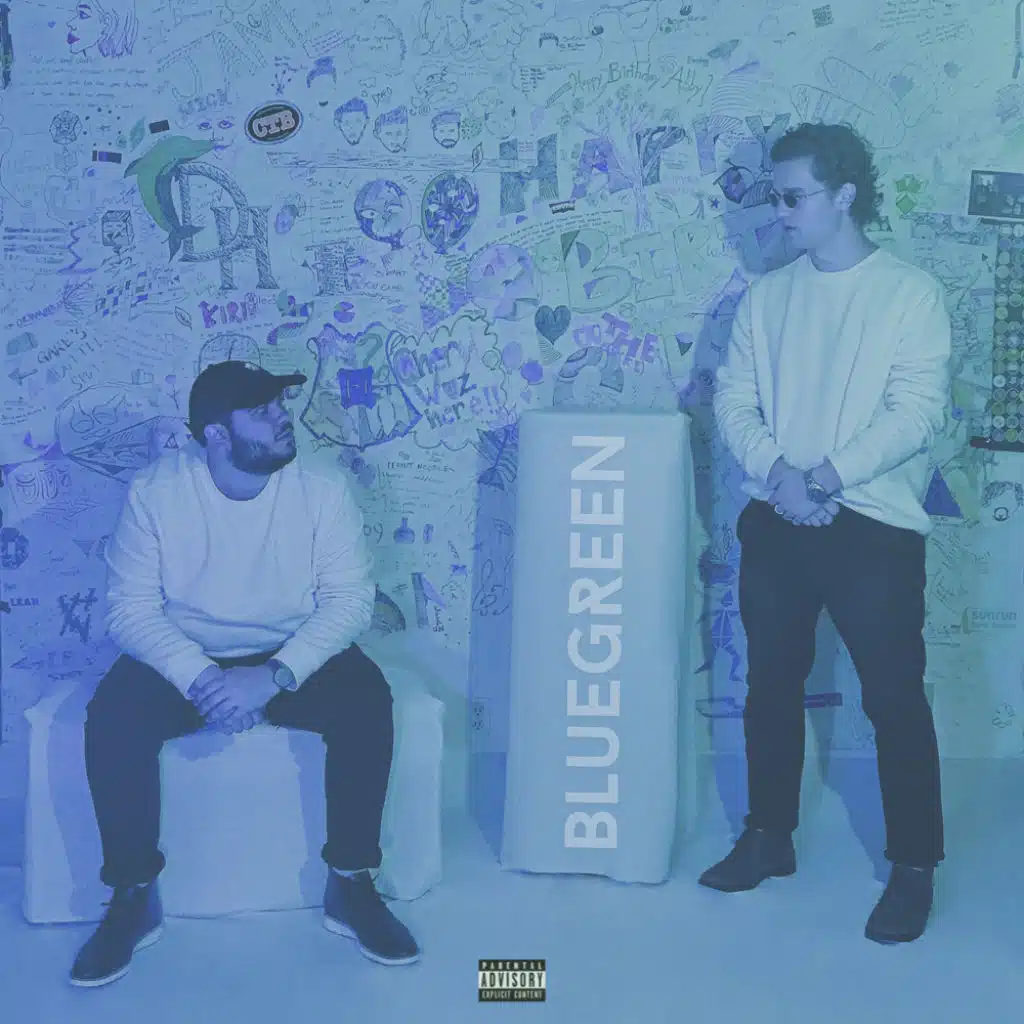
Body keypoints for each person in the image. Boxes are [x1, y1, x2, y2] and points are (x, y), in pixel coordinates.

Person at [70, 360, 420, 987]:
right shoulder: (158, 492)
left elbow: (349, 602)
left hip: (288, 651)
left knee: (366, 699)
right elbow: (129, 609)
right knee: (114, 717)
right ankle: (132, 894)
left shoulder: (322, 487)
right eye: (261, 411)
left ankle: (351, 882)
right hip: (190, 654)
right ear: (216, 435)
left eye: (280, 404)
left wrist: (274, 675)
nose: (283, 418)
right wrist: (203, 678)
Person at [704, 122, 951, 945]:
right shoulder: (766, 297)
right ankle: (767, 836)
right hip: (778, 517)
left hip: (873, 526)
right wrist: (782, 474)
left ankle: (913, 867)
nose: (778, 213)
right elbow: (734, 400)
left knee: (893, 697)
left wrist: (823, 478)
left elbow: (916, 412)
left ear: (844, 195)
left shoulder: (910, 294)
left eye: (792, 196)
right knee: (770, 684)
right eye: (773, 197)